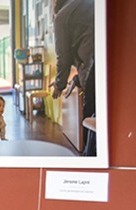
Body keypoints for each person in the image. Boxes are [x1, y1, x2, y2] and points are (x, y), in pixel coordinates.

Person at [50, 0, 96, 156]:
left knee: (90, 125)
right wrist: (75, 80)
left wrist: (59, 85)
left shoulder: (61, 17)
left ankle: (89, 165)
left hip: (93, 71)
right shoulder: (84, 5)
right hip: (101, 67)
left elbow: (63, 57)